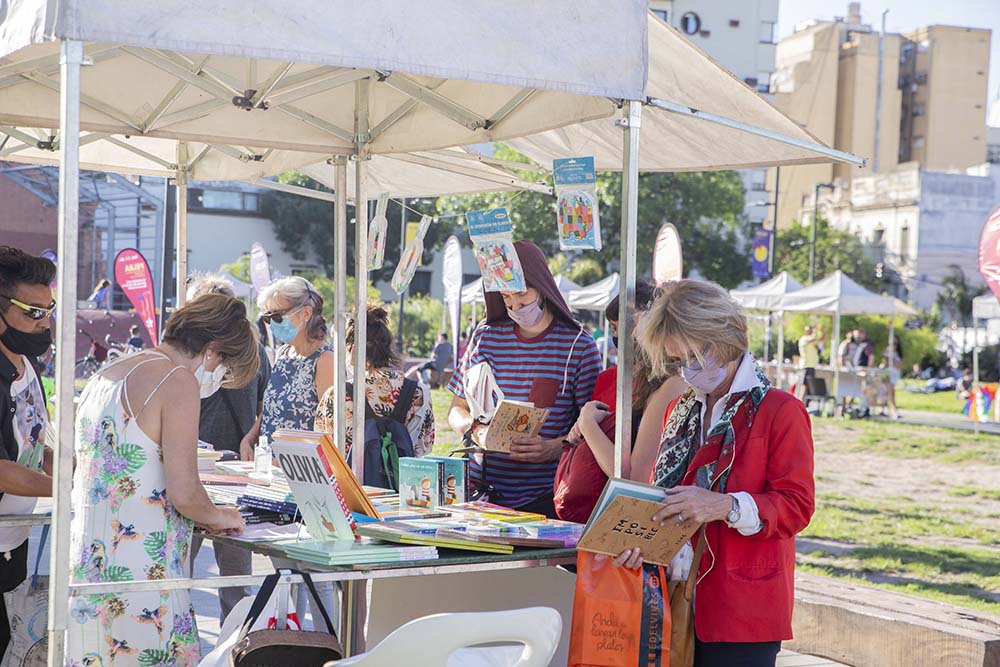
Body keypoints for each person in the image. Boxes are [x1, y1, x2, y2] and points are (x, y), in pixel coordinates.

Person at [607, 279, 815, 667]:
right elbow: (664, 500)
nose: (688, 369)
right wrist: (642, 543)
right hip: (671, 598)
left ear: (724, 337)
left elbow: (797, 506)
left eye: (695, 355)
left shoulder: (780, 410)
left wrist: (724, 506)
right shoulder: (680, 410)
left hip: (743, 609)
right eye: (677, 360)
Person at [70, 293, 256, 666]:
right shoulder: (176, 380)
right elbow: (185, 491)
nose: (219, 378)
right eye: (225, 368)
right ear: (212, 351)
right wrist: (220, 515)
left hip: (91, 567)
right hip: (144, 576)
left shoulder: (108, 374)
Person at [447, 240, 602, 517]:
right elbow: (456, 409)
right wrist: (475, 431)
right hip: (478, 494)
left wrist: (551, 448)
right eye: (505, 297)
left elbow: (595, 425)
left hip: (544, 498)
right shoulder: (485, 337)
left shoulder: (579, 347)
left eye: (521, 294)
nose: (515, 305)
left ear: (542, 287)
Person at [554, 280, 687, 523]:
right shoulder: (642, 381)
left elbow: (632, 477)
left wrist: (588, 425)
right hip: (614, 514)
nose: (626, 335)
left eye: (631, 325)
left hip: (640, 518)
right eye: (617, 328)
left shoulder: (672, 384)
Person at [185, 275, 272, 622]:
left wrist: (250, 436)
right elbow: (265, 404)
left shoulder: (197, 354)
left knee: (187, 569)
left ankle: (228, 637)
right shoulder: (251, 349)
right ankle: (232, 640)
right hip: (223, 470)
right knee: (232, 576)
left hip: (206, 470)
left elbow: (264, 402)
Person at [0, 247, 55, 661]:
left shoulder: (28, 366)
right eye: (33, 312)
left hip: (12, 540)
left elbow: (36, 442)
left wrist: (67, 465)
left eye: (49, 310)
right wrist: (64, 488)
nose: (45, 323)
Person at [317, 303, 434, 457]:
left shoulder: (337, 394)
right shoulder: (419, 392)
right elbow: (425, 445)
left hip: (350, 472)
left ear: (353, 349)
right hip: (403, 472)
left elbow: (323, 445)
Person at [246, 276, 334, 447]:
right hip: (270, 458)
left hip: (303, 461)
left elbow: (330, 428)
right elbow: (273, 407)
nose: (272, 324)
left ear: (306, 313)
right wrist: (251, 436)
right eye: (268, 318)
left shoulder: (325, 361)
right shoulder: (283, 354)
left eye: (278, 316)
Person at [883, 335, 903, 419]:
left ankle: (887, 410)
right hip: (888, 374)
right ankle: (894, 411)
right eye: (892, 343)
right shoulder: (887, 351)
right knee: (890, 392)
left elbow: (899, 365)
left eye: (895, 343)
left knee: (891, 392)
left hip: (895, 375)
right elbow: (886, 362)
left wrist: (894, 362)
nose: (894, 345)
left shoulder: (898, 353)